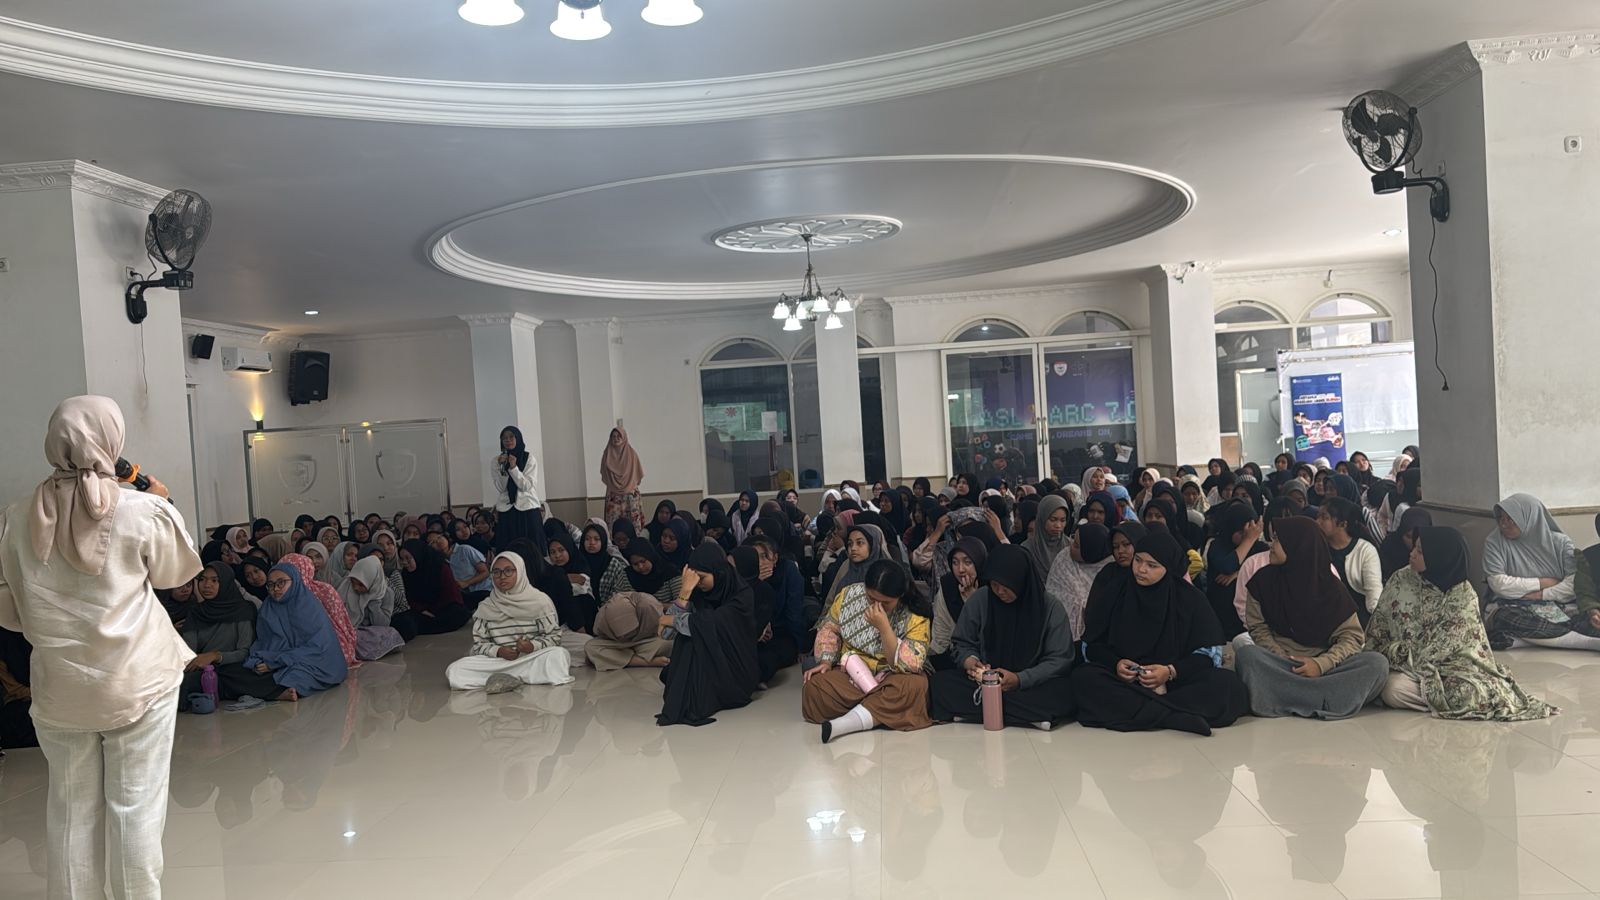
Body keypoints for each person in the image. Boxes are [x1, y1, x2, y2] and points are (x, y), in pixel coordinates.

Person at [0, 396, 204, 898]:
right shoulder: (141, 509)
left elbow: (9, 610)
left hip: (60, 686)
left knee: (70, 811)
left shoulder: (17, 515)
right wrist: (163, 500)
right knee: (136, 808)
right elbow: (176, 575)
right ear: (111, 441)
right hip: (138, 679)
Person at [1366, 527, 1556, 720]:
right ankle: (1437, 700)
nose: (1412, 554)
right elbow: (1379, 628)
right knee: (1392, 688)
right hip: (1402, 665)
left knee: (1470, 690)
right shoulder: (1400, 579)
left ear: (1440, 558)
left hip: (1453, 669)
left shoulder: (1463, 595)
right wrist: (1399, 655)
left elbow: (1463, 648)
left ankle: (1436, 700)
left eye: (1420, 551)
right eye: (1414, 548)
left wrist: (1426, 666)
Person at [1071, 532, 1248, 735]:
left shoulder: (1189, 599)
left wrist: (1170, 671)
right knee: (1083, 678)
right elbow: (1092, 645)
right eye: (1138, 560)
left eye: (1152, 565)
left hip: (1173, 682)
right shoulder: (1116, 590)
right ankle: (1173, 716)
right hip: (1126, 681)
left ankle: (1147, 712)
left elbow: (1207, 656)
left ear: (1168, 567)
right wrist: (1116, 664)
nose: (1141, 569)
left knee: (1228, 686)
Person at [1233, 518, 1388, 719]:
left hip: (1325, 666)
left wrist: (1320, 664)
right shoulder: (1262, 581)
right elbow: (1258, 628)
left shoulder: (1331, 587)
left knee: (1376, 663)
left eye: (1278, 540)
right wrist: (1280, 656)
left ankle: (1284, 697)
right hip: (1279, 662)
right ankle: (1326, 699)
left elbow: (1351, 638)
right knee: (1247, 655)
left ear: (1297, 545)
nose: (1271, 545)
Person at [930, 545, 1076, 728]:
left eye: (1006, 586)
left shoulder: (1050, 607)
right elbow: (961, 642)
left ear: (1021, 581)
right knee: (940, 683)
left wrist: (1020, 679)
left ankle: (978, 710)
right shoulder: (982, 599)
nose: (999, 591)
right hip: (985, 682)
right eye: (994, 585)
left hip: (1032, 684)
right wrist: (970, 661)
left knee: (1066, 692)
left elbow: (1059, 659)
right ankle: (1026, 715)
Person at [804, 560, 933, 742]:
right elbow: (829, 629)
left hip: (892, 676)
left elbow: (910, 664)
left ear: (900, 596)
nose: (876, 607)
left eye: (885, 603)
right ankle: (878, 711)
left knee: (914, 687)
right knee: (814, 688)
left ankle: (847, 722)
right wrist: (826, 661)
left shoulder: (915, 615)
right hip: (851, 674)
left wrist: (885, 629)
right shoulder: (849, 594)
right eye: (871, 599)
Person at [657, 543, 761, 726]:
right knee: (690, 634)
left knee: (696, 631)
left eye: (702, 577)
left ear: (718, 572)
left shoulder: (742, 595)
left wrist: (673, 620)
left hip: (735, 672)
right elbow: (666, 634)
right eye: (693, 578)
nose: (697, 583)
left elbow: (713, 623)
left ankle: (691, 699)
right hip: (710, 665)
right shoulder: (697, 593)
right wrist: (684, 592)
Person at [1482, 493, 1596, 650]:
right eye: (1501, 518)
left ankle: (1526, 639)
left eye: (1510, 519)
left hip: (1559, 606)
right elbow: (1499, 584)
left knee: (1590, 615)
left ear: (1530, 518)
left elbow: (1574, 583)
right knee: (1503, 617)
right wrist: (1542, 582)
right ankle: (1585, 641)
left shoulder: (1561, 543)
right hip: (1514, 607)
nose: (1503, 524)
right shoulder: (1494, 542)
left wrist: (1542, 595)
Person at [445, 552, 572, 691]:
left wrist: (531, 646)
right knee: (455, 670)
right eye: (496, 572)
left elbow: (554, 637)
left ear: (521, 572)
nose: (502, 576)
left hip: (530, 658)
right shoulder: (486, 607)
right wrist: (498, 651)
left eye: (508, 570)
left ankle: (508, 677)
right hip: (498, 662)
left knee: (557, 655)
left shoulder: (540, 601)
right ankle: (525, 677)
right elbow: (479, 645)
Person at [241, 562, 349, 702]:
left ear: (295, 581)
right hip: (278, 658)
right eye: (271, 585)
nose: (275, 589)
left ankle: (279, 690)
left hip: (313, 660)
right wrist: (262, 660)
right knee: (241, 672)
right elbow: (264, 642)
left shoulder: (308, 605)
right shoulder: (268, 607)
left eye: (281, 583)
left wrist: (276, 662)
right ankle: (274, 690)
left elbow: (317, 647)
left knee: (296, 676)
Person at [176, 563, 260, 711]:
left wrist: (215, 656)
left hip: (232, 666)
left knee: (253, 673)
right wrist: (194, 661)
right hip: (203, 669)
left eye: (214, 580)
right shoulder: (196, 612)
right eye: (203, 579)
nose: (207, 585)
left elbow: (244, 652)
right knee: (182, 680)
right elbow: (189, 652)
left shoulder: (243, 609)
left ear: (226, 582)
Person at [1315, 497, 1383, 623]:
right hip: (1327, 615)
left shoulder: (1365, 550)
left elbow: (1374, 591)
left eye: (1324, 518)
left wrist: (1378, 620)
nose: (1317, 522)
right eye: (1318, 516)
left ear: (1343, 524)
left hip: (1358, 617)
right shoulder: (1318, 549)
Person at [1204, 500, 1265, 638]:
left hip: (1250, 618)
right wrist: (1248, 540)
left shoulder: (1260, 548)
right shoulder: (1217, 545)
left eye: (1250, 533)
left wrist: (1240, 573)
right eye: (1241, 533)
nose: (1246, 536)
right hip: (1222, 616)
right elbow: (1227, 566)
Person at [1046, 523, 1113, 641]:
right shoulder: (1064, 558)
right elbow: (1053, 593)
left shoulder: (1110, 569)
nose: (1071, 546)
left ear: (1091, 550)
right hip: (1059, 632)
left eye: (1076, 545)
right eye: (1073, 540)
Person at [930, 537, 988, 670]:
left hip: (989, 658)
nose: (961, 569)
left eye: (968, 562)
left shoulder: (992, 586)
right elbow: (941, 633)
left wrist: (973, 600)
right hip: (956, 656)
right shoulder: (948, 586)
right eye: (955, 563)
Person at [492, 425, 546, 557]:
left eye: (511, 437)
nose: (508, 440)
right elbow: (501, 488)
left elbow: (526, 486)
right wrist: (502, 468)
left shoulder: (529, 458)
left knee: (532, 550)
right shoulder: (496, 461)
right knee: (509, 550)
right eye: (504, 438)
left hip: (527, 508)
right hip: (507, 510)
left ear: (518, 438)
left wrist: (514, 468)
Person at [399, 539, 471, 635]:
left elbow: (451, 594)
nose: (405, 562)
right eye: (402, 559)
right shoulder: (406, 574)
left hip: (443, 607)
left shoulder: (439, 567)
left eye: (408, 558)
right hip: (422, 610)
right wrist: (422, 610)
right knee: (406, 620)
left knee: (457, 613)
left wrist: (436, 610)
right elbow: (408, 598)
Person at [586, 591, 672, 670]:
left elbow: (661, 630)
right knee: (591, 648)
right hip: (617, 644)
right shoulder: (607, 614)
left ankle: (620, 659)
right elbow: (601, 636)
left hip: (645, 641)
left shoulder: (647, 605)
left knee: (670, 644)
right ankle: (646, 662)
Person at [599, 426, 645, 530]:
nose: (616, 439)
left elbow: (638, 474)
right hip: (613, 496)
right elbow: (604, 474)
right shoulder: (606, 455)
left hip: (630, 496)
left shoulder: (632, 454)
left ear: (624, 437)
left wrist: (629, 484)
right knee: (613, 527)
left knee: (633, 527)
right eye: (613, 436)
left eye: (618, 436)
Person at [432, 529, 489, 609]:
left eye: (439, 537)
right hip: (466, 598)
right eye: (432, 542)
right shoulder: (440, 563)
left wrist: (467, 583)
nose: (438, 541)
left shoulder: (464, 549)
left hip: (484, 591)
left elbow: (485, 572)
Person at [579, 522, 632, 605]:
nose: (592, 542)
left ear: (603, 541)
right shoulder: (577, 562)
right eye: (587, 539)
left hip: (609, 608)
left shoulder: (613, 564)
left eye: (596, 539)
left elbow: (621, 591)